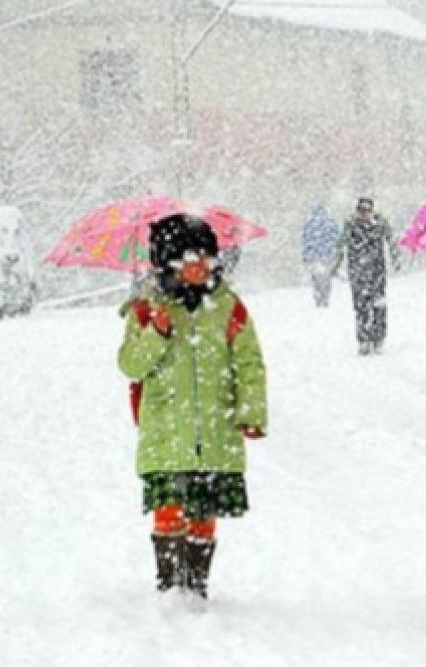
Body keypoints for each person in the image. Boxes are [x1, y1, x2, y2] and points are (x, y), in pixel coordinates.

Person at [118, 213, 268, 600]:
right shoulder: (146, 309)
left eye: (207, 257)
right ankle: (170, 586)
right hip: (166, 432)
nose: (201, 266)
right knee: (169, 507)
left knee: (203, 510)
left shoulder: (228, 307)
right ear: (168, 263)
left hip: (216, 431)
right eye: (190, 258)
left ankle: (196, 585)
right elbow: (131, 365)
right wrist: (156, 332)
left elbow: (249, 363)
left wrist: (250, 412)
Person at [334, 196, 392, 354]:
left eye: (367, 211)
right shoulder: (350, 226)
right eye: (361, 211)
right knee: (361, 306)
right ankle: (364, 339)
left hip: (377, 270)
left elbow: (391, 240)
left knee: (378, 305)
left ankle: (378, 338)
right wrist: (336, 264)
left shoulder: (380, 224)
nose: (364, 214)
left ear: (372, 211)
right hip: (357, 271)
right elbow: (340, 244)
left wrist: (395, 258)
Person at [301, 203, 340, 307]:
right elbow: (335, 239)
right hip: (327, 256)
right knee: (326, 278)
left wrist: (305, 256)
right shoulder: (331, 223)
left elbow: (305, 241)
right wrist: (335, 253)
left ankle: (318, 296)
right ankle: (325, 297)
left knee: (316, 278)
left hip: (313, 257)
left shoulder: (308, 224)